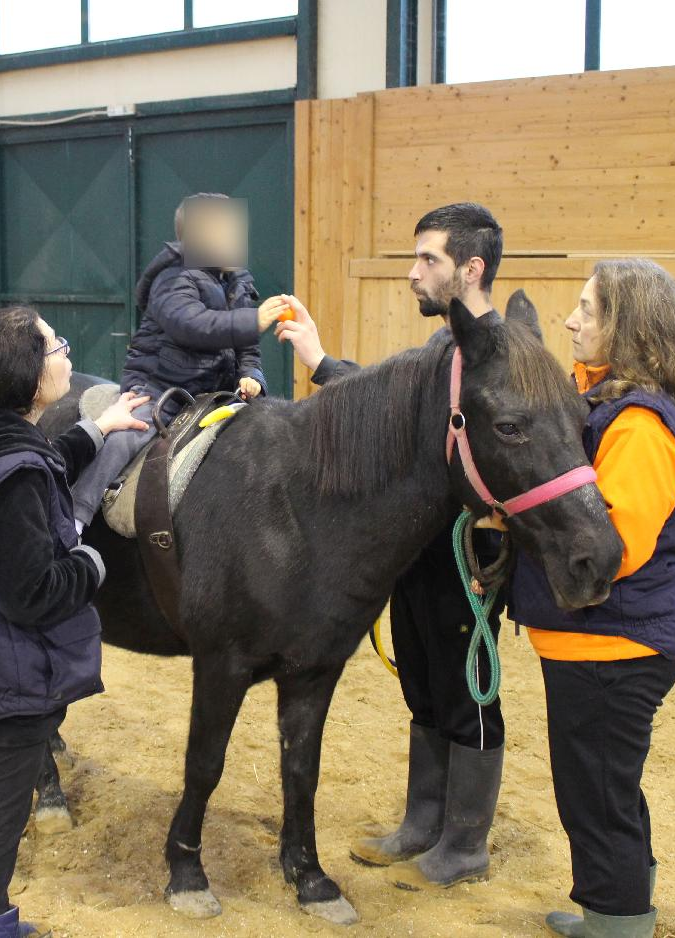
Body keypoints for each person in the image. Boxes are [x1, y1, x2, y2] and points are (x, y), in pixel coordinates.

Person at [275, 203, 510, 889]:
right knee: (424, 688)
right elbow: (386, 402)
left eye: (427, 261)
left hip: (465, 558)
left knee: (466, 690)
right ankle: (421, 823)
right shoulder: (445, 347)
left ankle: (464, 846)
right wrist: (318, 363)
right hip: (415, 550)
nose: (412, 274)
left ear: (469, 269)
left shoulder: (491, 355)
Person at [0, 307, 150, 938]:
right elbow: (35, 593)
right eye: (55, 346)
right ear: (28, 378)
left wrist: (97, 429)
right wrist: (93, 561)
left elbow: (32, 462)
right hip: (2, 676)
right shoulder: (11, 472)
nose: (66, 354)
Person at [510, 259, 675, 938]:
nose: (571, 320)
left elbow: (605, 549)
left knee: (595, 797)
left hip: (611, 645)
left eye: (588, 309)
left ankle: (616, 923)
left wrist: (513, 526)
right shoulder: (600, 407)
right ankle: (619, 911)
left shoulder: (638, 429)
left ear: (628, 328)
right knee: (603, 790)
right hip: (596, 641)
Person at [69, 192, 288, 531]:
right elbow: (191, 325)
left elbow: (246, 346)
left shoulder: (237, 281)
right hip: (161, 385)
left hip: (214, 392)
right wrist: (252, 321)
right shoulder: (173, 277)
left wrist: (251, 375)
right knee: (128, 434)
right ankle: (77, 514)